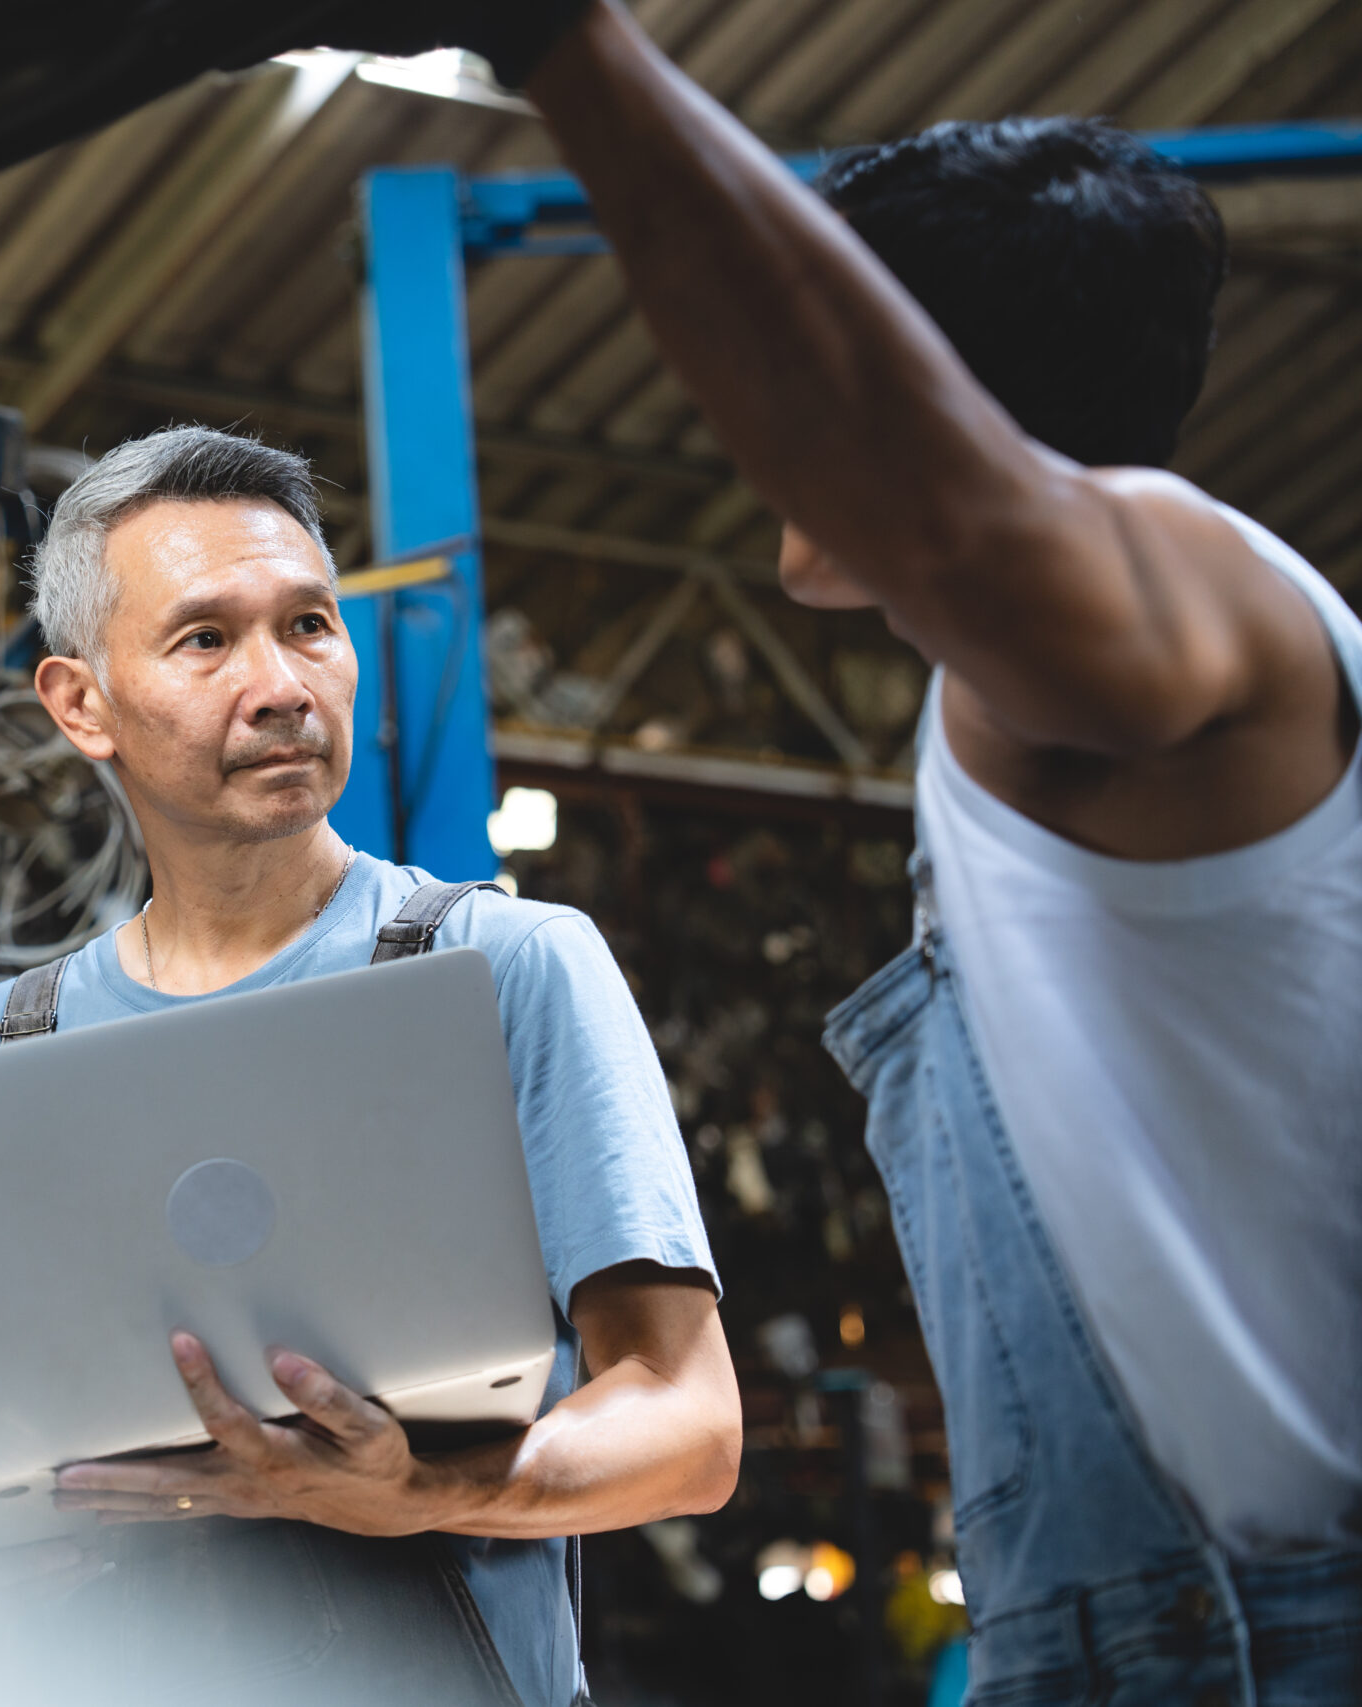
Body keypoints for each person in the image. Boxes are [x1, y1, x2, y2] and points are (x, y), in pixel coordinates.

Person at [518, 7, 1361, 1702]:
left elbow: (951, 510)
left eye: (824, 331)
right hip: (1134, 1622)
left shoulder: (1188, 583)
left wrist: (557, 45)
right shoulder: (1025, 694)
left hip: (1260, 1639)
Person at [0, 426, 740, 1706]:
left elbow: (689, 1427)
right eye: (205, 639)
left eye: (309, 624)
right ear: (79, 703)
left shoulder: (504, 968)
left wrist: (429, 1491)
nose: (278, 684)